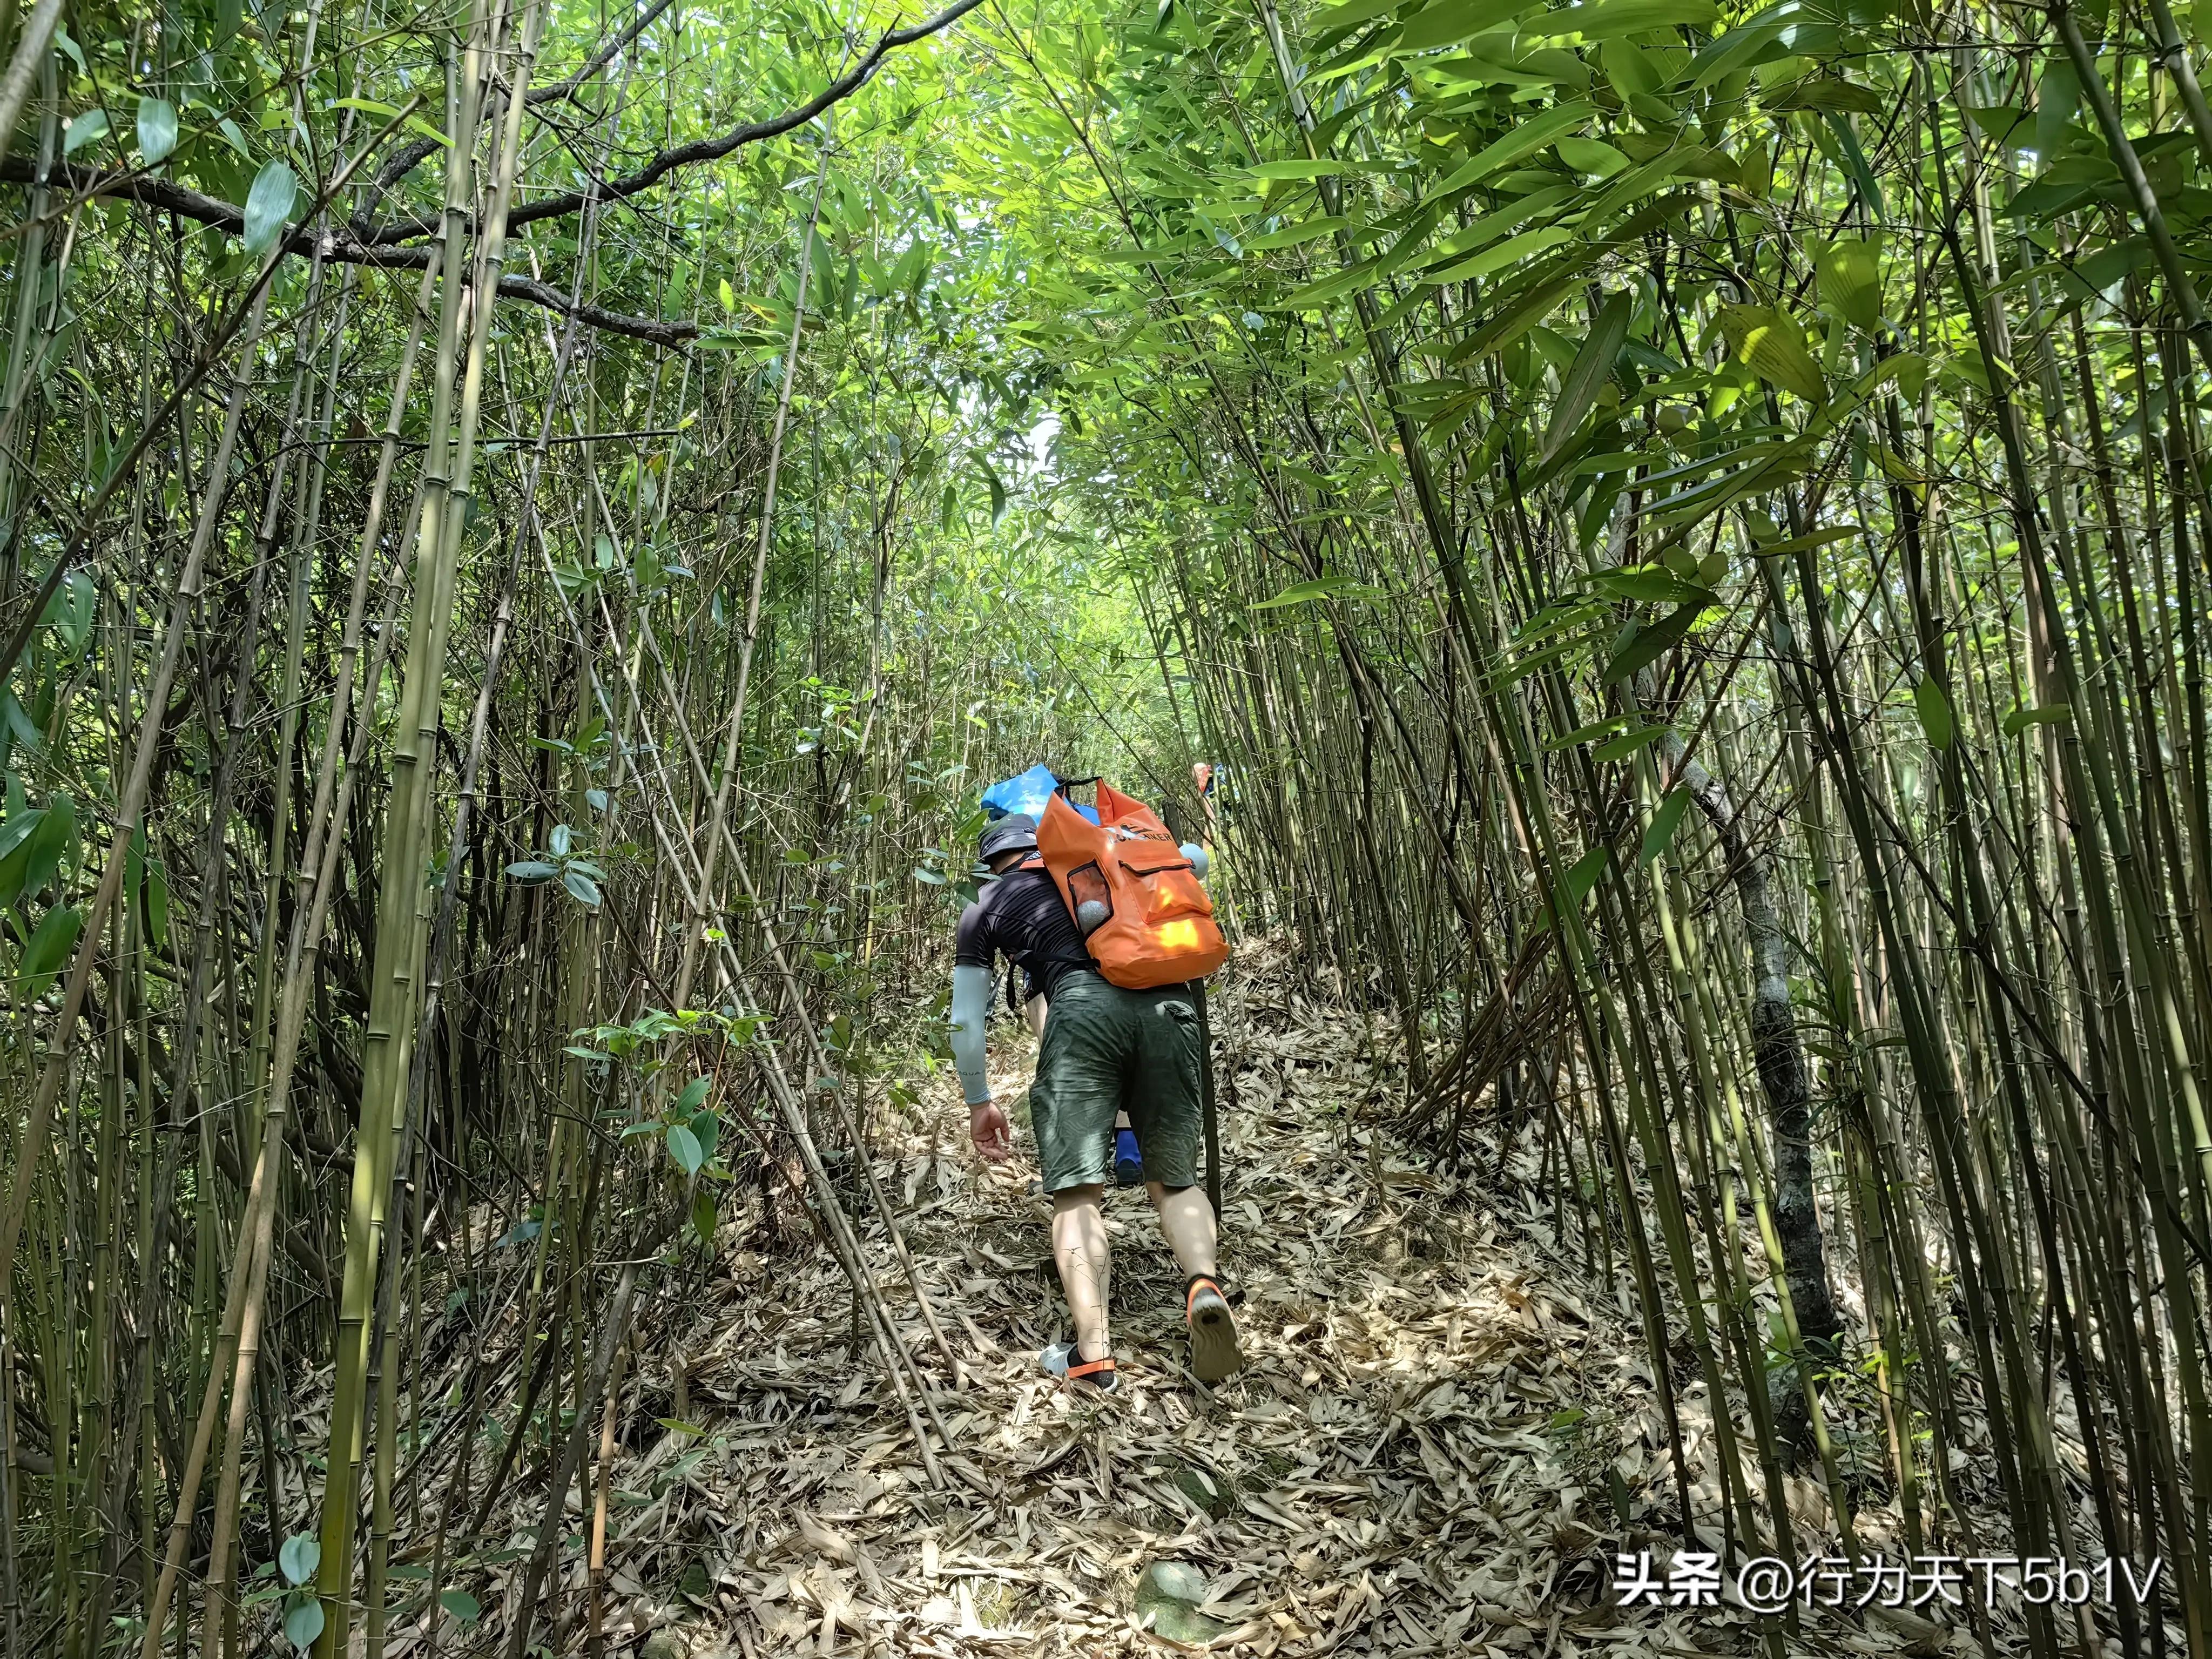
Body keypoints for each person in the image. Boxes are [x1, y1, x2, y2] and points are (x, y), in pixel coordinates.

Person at [952, 812, 1243, 1393]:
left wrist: (980, 1101)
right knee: (1176, 1181)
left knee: (1077, 1192)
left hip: (1081, 1011)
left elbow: (965, 1019)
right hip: (1170, 1008)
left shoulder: (986, 904)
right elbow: (1197, 858)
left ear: (992, 862)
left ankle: (1094, 1354)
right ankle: (1203, 1286)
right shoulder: (1110, 859)